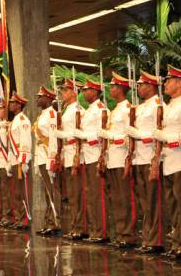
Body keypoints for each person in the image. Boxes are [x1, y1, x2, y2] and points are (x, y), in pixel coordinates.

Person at [152, 65, 181, 260]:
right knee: (172, 204)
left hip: (180, 160)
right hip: (168, 160)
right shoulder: (169, 106)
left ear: (179, 83)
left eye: (169, 81)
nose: (166, 84)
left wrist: (166, 138)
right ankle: (178, 241)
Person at [126, 70, 164, 254]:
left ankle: (155, 240)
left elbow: (158, 133)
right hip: (138, 157)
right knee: (143, 200)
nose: (139, 88)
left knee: (152, 200)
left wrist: (139, 135)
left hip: (150, 155)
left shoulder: (158, 105)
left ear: (151, 86)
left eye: (141, 85)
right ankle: (148, 237)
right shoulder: (140, 107)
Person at [99, 72, 137, 248]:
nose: (110, 89)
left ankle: (128, 235)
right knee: (116, 198)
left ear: (121, 89)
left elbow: (128, 136)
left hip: (122, 158)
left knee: (125, 197)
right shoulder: (115, 110)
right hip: (112, 159)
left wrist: (110, 136)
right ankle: (122, 233)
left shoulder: (128, 109)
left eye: (113, 86)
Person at [74, 79, 110, 243]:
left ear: (95, 92)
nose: (83, 93)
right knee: (91, 194)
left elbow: (102, 133)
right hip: (87, 155)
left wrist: (85, 137)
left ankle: (101, 232)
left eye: (87, 90)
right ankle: (95, 229)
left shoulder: (101, 109)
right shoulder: (90, 110)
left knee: (98, 195)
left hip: (96, 154)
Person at [54, 79, 87, 240]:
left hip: (74, 151)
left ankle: (80, 227)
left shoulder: (77, 110)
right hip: (67, 152)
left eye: (66, 91)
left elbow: (78, 134)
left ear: (74, 92)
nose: (62, 93)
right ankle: (75, 225)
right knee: (72, 194)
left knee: (77, 193)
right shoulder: (67, 110)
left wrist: (64, 135)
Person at [34, 86, 61, 237]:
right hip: (42, 155)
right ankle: (48, 221)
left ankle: (55, 222)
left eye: (40, 97)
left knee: (53, 190)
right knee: (47, 191)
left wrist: (52, 158)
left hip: (48, 155)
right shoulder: (42, 114)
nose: (38, 99)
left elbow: (53, 137)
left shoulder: (52, 114)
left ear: (48, 99)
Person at [8, 92, 32, 230]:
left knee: (23, 190)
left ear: (19, 105)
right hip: (14, 158)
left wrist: (23, 160)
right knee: (16, 191)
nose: (10, 105)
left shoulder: (23, 120)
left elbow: (25, 141)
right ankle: (18, 217)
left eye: (13, 103)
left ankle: (25, 219)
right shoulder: (15, 120)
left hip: (20, 158)